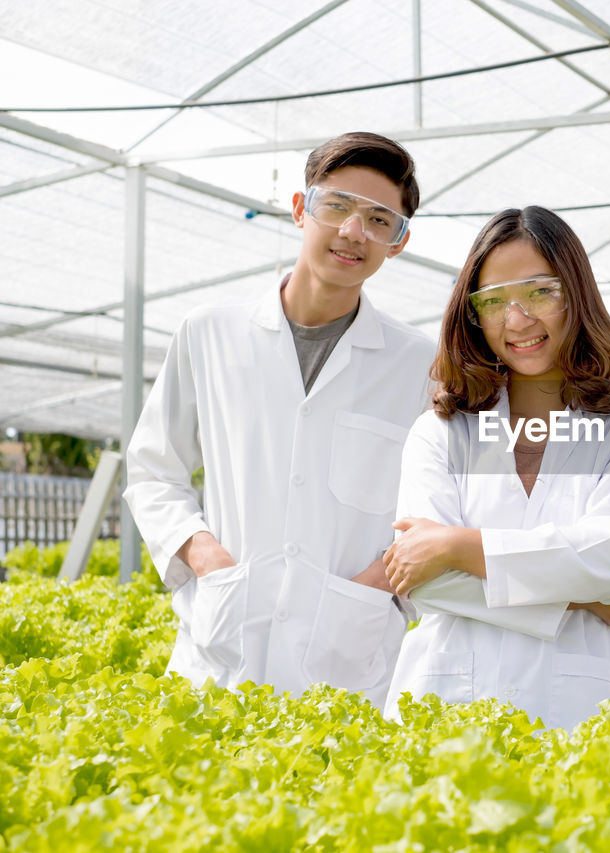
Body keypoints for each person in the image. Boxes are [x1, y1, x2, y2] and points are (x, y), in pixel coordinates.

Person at [124, 132, 435, 708]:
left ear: (398, 242)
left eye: (378, 219)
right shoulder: (208, 332)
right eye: (336, 205)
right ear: (300, 208)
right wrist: (203, 555)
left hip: (351, 658)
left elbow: (439, 511)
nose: (353, 231)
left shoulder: (420, 364)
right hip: (219, 643)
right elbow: (152, 470)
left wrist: (379, 587)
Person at [381, 205, 610, 729]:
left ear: (577, 293)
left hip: (583, 714)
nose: (517, 320)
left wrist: (454, 546)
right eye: (493, 301)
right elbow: (421, 581)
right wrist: (578, 600)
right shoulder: (440, 433)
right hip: (446, 705)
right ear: (472, 315)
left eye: (540, 291)